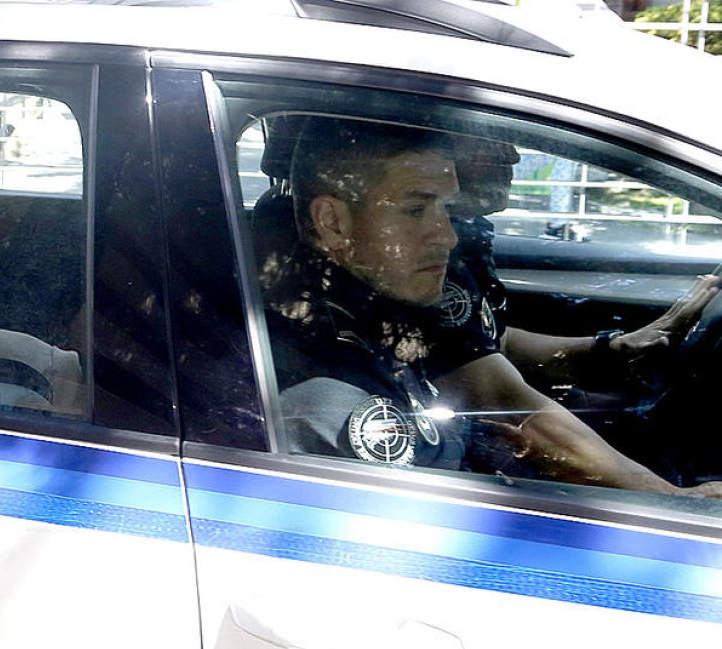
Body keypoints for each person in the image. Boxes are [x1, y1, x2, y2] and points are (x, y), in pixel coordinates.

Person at [265, 116, 722, 497]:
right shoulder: (330, 393)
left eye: (444, 209)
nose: (446, 235)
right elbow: (498, 396)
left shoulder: (381, 299)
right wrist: (670, 502)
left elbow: (490, 342)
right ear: (334, 223)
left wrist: (612, 349)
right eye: (415, 210)